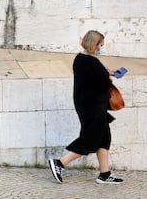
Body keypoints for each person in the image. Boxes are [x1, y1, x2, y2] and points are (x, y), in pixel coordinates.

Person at [48, 30, 123, 184]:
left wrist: (108, 72)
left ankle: (105, 174)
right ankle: (59, 163)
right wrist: (108, 77)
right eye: (100, 44)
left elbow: (94, 77)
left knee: (103, 138)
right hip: (92, 106)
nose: (102, 47)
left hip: (93, 104)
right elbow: (102, 82)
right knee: (91, 138)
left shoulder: (83, 59)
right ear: (93, 44)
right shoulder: (89, 61)